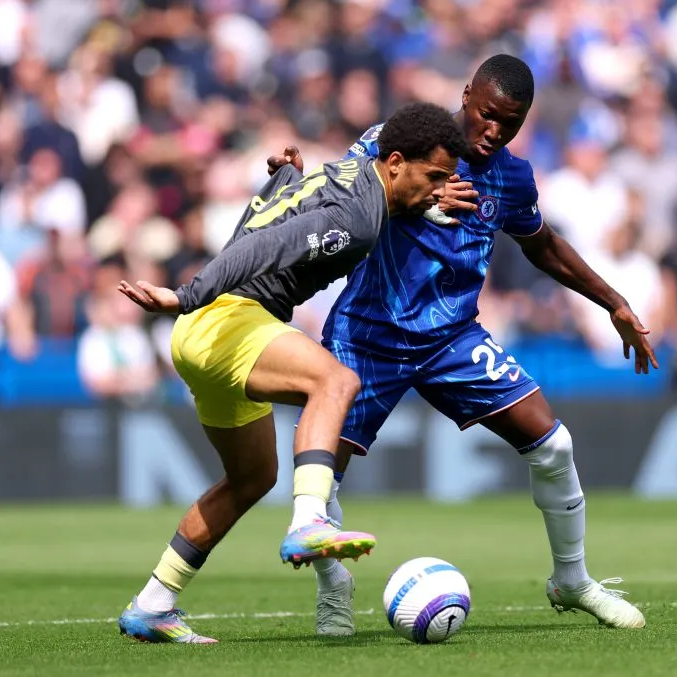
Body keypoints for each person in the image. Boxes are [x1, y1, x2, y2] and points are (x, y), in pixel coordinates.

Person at [268, 55, 658, 636]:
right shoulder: (396, 140)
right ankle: (334, 589)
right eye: (487, 115)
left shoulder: (512, 177)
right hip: (368, 335)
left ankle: (572, 580)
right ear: (467, 94)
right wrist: (416, 198)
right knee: (321, 477)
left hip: (451, 337)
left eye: (511, 123)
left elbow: (543, 245)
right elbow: (343, 202)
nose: (494, 131)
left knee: (554, 445)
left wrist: (613, 301)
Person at [114, 102, 467, 644]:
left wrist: (285, 179)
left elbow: (272, 215)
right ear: (395, 162)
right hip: (226, 321)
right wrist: (186, 295)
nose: (441, 190)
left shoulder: (354, 173)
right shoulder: (357, 219)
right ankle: (308, 522)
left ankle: (153, 603)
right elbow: (265, 244)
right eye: (435, 177)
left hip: (207, 333)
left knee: (253, 478)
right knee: (337, 382)